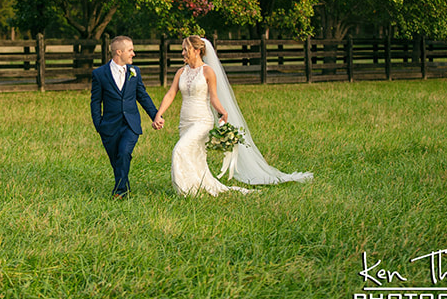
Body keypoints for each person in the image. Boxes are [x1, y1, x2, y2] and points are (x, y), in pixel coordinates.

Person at [154, 35, 312, 196]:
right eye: (182, 49)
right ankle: (196, 187)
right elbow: (171, 93)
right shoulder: (181, 72)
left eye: (185, 49)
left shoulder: (208, 72)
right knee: (195, 156)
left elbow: (214, 97)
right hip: (185, 122)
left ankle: (184, 190)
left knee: (180, 149)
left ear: (197, 51)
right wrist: (159, 115)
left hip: (202, 121)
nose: (182, 53)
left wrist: (222, 111)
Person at [90, 36, 161, 199]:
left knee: (123, 153)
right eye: (130, 50)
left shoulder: (135, 72)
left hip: (131, 124)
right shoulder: (99, 74)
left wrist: (155, 116)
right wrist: (99, 125)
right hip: (109, 125)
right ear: (118, 52)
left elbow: (142, 96)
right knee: (116, 160)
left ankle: (119, 192)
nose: (133, 54)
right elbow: (95, 102)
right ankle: (124, 186)